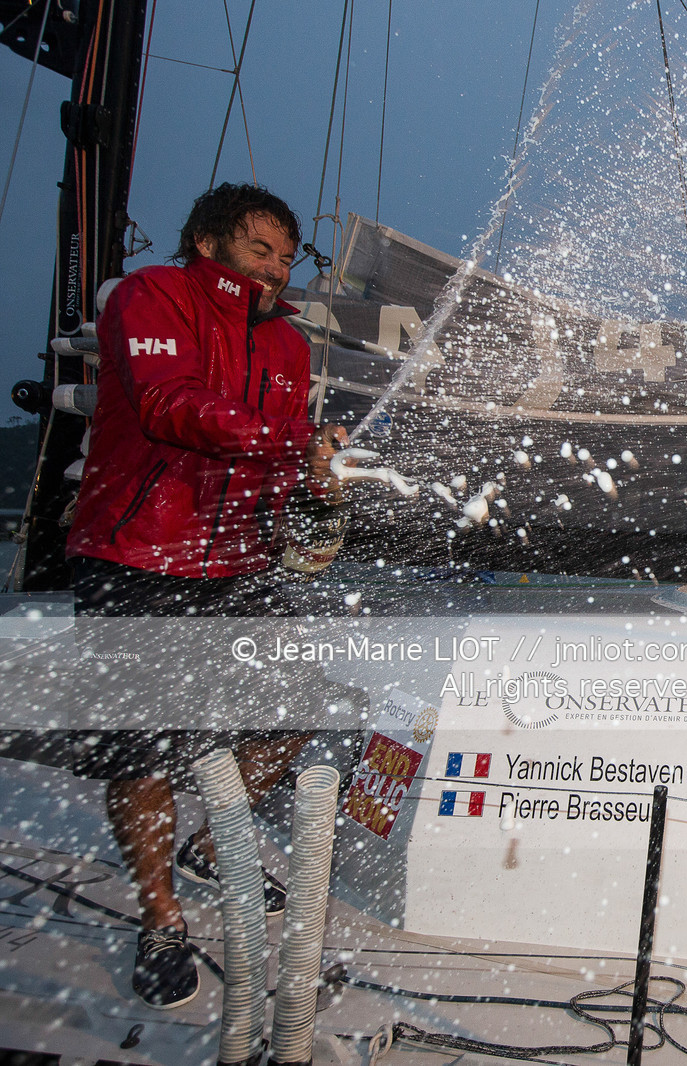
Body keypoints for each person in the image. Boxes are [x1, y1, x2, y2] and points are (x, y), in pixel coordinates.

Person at [66, 183, 347, 1010]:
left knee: (302, 706)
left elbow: (281, 457)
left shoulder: (289, 347)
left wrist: (318, 489)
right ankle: (161, 919)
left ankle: (211, 849)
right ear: (208, 241)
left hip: (237, 561)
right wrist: (293, 439)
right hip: (137, 552)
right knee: (142, 749)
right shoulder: (152, 295)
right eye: (260, 249)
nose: (275, 268)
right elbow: (167, 404)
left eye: (286, 257)